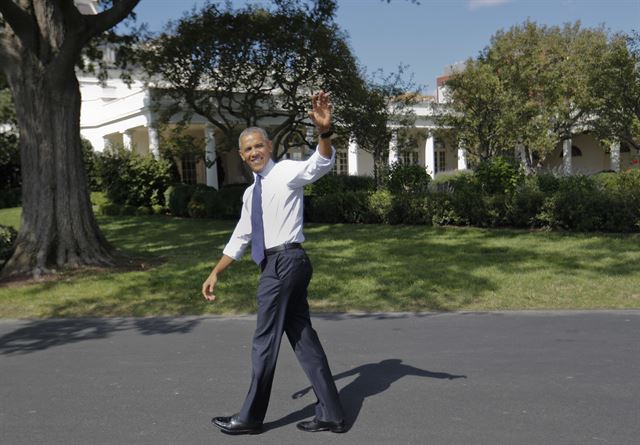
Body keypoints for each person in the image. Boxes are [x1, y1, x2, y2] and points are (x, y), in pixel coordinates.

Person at [201, 91, 346, 435]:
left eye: (258, 146)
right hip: (283, 265)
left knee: (264, 340)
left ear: (269, 146)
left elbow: (321, 164)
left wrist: (324, 133)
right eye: (247, 149)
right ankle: (332, 413)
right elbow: (241, 237)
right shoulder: (251, 193)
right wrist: (214, 273)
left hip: (285, 262)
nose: (254, 153)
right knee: (303, 338)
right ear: (241, 154)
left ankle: (250, 418)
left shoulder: (286, 173)